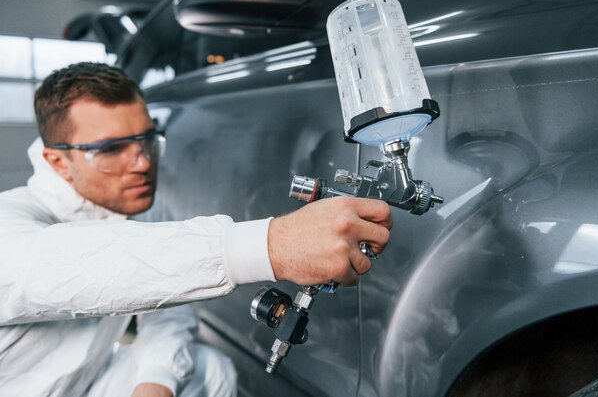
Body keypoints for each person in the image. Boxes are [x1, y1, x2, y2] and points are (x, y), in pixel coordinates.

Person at [0, 62, 392, 397]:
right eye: (110, 149)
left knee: (207, 370)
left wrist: (157, 382)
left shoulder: (140, 206)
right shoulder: (11, 221)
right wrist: (271, 245)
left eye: (147, 138)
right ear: (57, 162)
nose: (141, 163)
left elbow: (167, 313)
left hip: (88, 385)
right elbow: (84, 263)